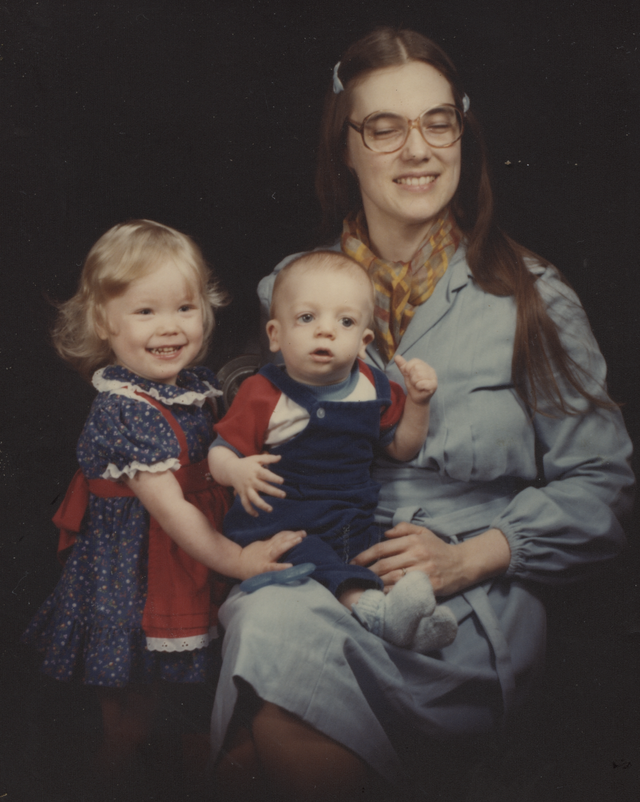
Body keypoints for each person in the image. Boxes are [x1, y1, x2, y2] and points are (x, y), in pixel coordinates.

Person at [209, 28, 635, 802]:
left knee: (259, 706)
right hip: (321, 580)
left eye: (439, 122)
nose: (419, 149)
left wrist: (470, 558)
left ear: (461, 134)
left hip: (461, 618)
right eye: (386, 126)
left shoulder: (532, 299)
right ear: (345, 146)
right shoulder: (288, 295)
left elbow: (604, 486)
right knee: (267, 625)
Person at [21, 219, 305, 775]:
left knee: (188, 700)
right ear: (104, 321)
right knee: (131, 702)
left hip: (185, 555)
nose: (169, 328)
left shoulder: (190, 387)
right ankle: (114, 773)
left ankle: (186, 762)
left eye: (184, 308)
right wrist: (239, 560)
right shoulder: (124, 409)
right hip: (138, 567)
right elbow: (172, 510)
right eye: (145, 312)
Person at [209, 250, 457, 653]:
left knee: (381, 563)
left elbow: (400, 448)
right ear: (275, 334)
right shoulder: (263, 392)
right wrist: (236, 472)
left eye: (344, 322)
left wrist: (419, 402)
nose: (326, 332)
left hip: (350, 517)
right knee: (318, 562)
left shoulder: (374, 387)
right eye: (307, 318)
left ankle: (411, 627)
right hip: (284, 520)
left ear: (363, 342)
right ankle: (374, 613)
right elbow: (220, 451)